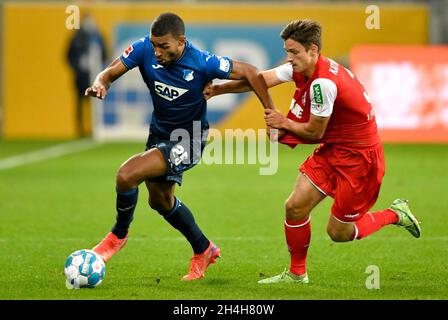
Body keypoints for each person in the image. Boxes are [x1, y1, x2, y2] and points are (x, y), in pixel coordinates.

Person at [204, 19, 421, 284]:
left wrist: (283, 122)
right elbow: (260, 79)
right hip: (334, 149)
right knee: (295, 207)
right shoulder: (303, 67)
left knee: (338, 232)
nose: (289, 58)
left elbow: (314, 132)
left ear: (313, 50)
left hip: (360, 159)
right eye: (287, 51)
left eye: (294, 52)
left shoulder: (323, 84)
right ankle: (297, 274)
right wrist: (218, 89)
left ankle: (396, 214)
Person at [84, 12, 275, 281]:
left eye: (164, 46)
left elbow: (252, 73)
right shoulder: (143, 49)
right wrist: (100, 83)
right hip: (159, 134)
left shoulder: (202, 61)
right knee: (160, 201)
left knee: (127, 175)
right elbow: (109, 73)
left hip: (189, 138)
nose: (157, 52)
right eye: (154, 45)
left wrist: (271, 113)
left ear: (181, 41)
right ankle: (204, 249)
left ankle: (117, 236)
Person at [67, 14, 107, 137]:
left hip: (95, 75)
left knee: (94, 102)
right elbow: (68, 55)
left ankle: (94, 128)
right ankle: (80, 129)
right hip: (81, 76)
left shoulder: (97, 35)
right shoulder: (76, 37)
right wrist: (77, 67)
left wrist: (100, 69)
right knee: (79, 102)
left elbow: (104, 52)